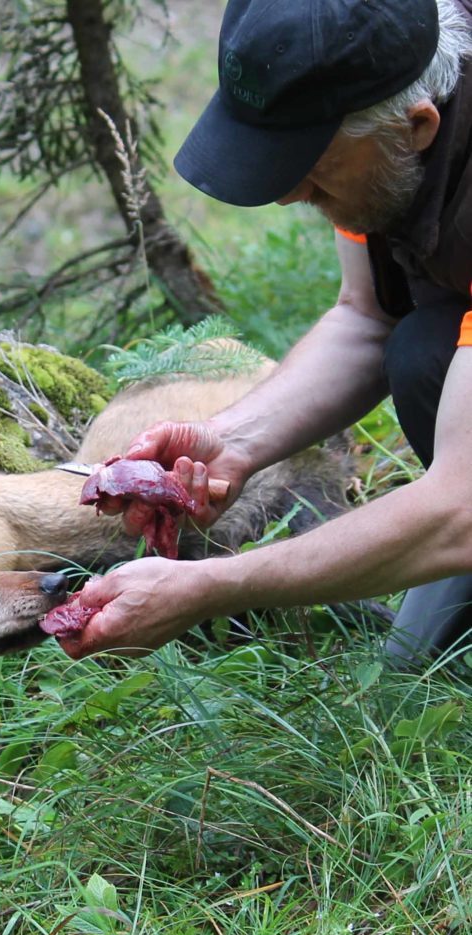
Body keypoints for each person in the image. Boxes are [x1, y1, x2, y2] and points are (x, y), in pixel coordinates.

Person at [59, 0, 472, 663]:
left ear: (418, 124)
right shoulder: (381, 125)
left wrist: (210, 585)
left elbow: (463, 507)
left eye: (308, 165)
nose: (285, 193)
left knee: (430, 361)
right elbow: (368, 318)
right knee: (422, 350)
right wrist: (230, 442)